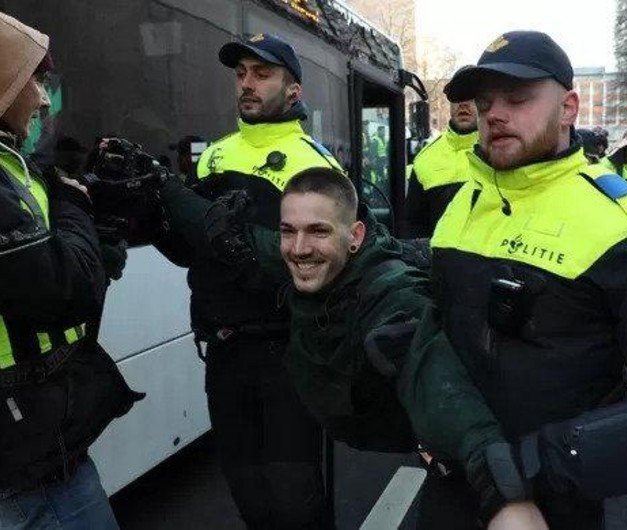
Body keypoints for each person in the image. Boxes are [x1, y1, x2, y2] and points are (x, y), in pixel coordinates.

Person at [433, 31, 627, 528]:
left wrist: (532, 466)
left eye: (517, 98)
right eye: (485, 103)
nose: (494, 115)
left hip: (545, 503)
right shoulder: (465, 202)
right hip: (450, 484)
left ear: (569, 108)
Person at [155, 32, 342, 528]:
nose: (247, 84)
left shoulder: (314, 163)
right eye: (240, 74)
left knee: (296, 502)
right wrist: (151, 217)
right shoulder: (214, 156)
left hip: (288, 355)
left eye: (262, 74)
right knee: (248, 495)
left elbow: (321, 266)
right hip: (222, 353)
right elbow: (189, 249)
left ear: (294, 89)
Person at [278, 168, 509, 527]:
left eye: (318, 231)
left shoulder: (392, 292)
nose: (298, 249)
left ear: (355, 236)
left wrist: (500, 487)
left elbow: (433, 373)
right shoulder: (310, 269)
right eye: (287, 231)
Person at [0, 12, 140, 528]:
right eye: (32, 80)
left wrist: (93, 250)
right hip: (26, 455)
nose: (43, 100)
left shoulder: (15, 166)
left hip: (36, 434)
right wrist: (73, 206)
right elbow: (63, 292)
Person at [405, 87, 479, 237]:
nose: (463, 104)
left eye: (471, 96)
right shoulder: (425, 159)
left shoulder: (505, 152)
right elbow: (413, 227)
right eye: (457, 96)